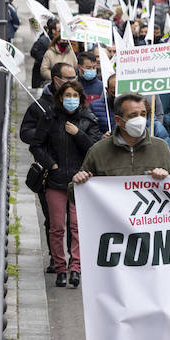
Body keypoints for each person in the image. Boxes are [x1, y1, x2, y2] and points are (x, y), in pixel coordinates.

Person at [73, 94, 170, 340]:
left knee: (154, 311)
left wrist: (167, 179)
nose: (140, 119)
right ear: (118, 120)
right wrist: (79, 182)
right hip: (117, 251)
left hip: (153, 248)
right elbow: (77, 195)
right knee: (122, 311)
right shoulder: (99, 152)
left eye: (143, 113)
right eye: (133, 114)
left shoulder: (159, 148)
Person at [30, 80, 103, 287]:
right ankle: (60, 268)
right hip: (55, 180)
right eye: (67, 95)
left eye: (75, 96)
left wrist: (78, 133)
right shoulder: (50, 118)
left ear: (81, 98)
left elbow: (94, 149)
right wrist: (51, 164)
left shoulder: (89, 119)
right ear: (61, 98)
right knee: (57, 227)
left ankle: (76, 268)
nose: (71, 99)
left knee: (76, 227)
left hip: (80, 182)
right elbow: (37, 145)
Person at [21, 61, 76, 268]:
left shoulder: (78, 103)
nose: (72, 82)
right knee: (53, 221)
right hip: (49, 173)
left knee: (74, 222)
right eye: (69, 78)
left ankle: (74, 261)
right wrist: (47, 132)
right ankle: (56, 258)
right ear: (56, 80)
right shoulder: (39, 107)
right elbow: (25, 134)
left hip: (73, 171)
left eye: (74, 78)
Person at [75, 51, 111, 133]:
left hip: (96, 129)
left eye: (94, 67)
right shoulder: (73, 85)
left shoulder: (102, 87)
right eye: (88, 68)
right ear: (79, 68)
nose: (92, 70)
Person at [29, 17, 56, 89]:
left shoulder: (55, 40)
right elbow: (33, 52)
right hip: (40, 76)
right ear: (53, 30)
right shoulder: (44, 40)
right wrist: (46, 60)